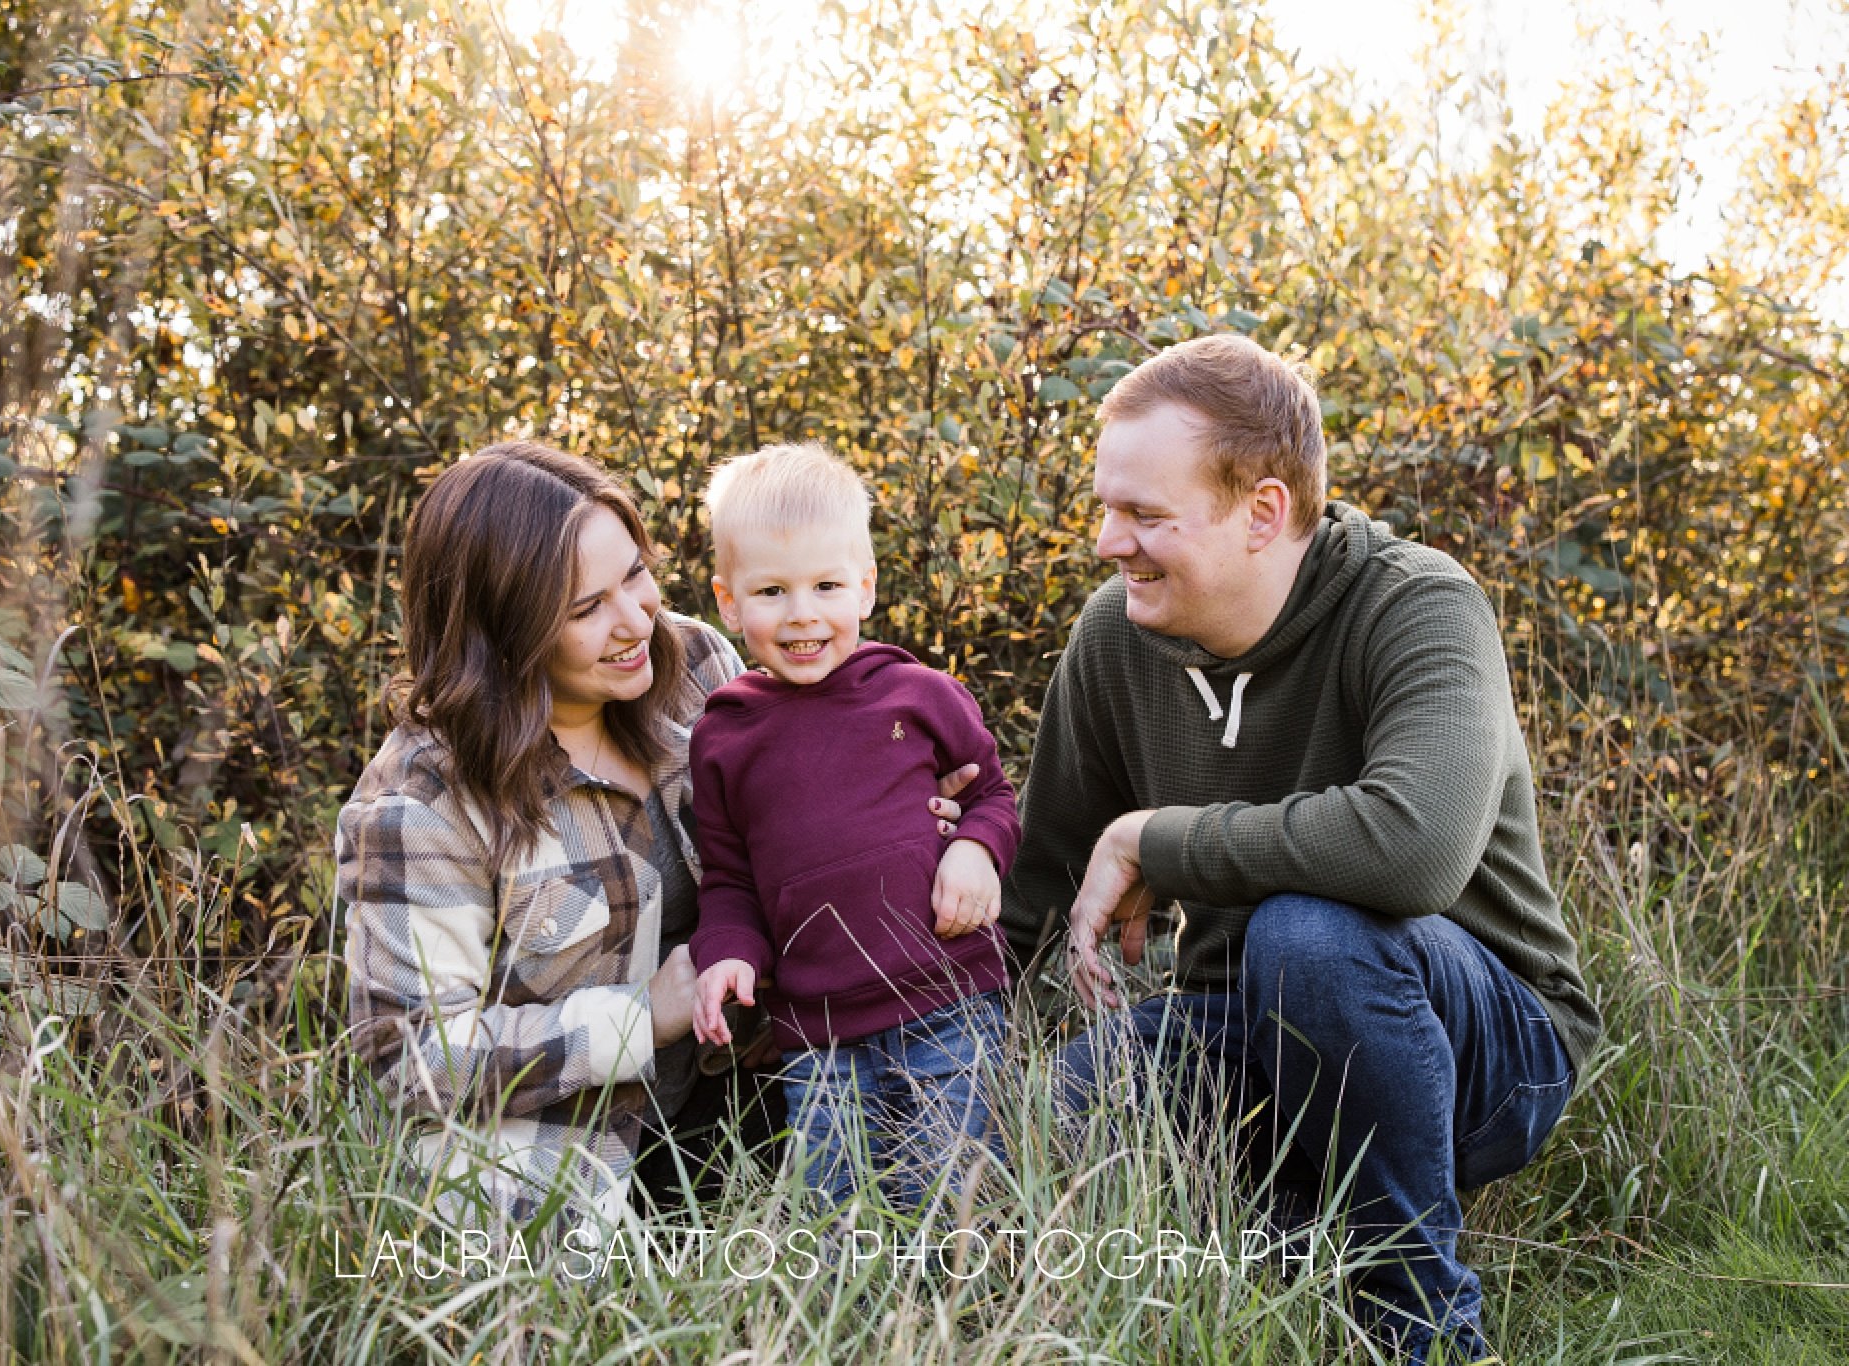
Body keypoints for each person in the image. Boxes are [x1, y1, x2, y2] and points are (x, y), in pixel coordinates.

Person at [999, 335, 1602, 1362]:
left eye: (1144, 515)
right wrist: (903, 1054)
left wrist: (1161, 838)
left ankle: (1418, 1331)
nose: (1107, 541)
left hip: (1480, 1040)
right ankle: (1292, 1250)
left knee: (1309, 938)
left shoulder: (1414, 605)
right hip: (1247, 1027)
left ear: (1262, 513)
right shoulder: (1115, 637)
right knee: (1078, 1098)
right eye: (1106, 508)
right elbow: (1035, 892)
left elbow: (1411, 851)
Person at [335, 441, 978, 1230]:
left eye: (634, 574)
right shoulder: (423, 804)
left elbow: (781, 832)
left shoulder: (698, 669)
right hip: (565, 1158)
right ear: (499, 633)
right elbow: (410, 1056)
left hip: (767, 1090)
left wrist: (908, 817)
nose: (636, 619)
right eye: (585, 609)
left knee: (916, 1221)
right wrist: (644, 1015)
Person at [689, 442, 1020, 1216]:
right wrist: (726, 955)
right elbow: (729, 880)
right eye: (771, 591)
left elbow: (993, 796)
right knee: (836, 1215)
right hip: (817, 1032)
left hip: (947, 1000)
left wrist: (974, 849)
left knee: (952, 1200)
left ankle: (959, 1326)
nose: (802, 613)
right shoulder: (727, 737)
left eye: (826, 585)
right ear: (729, 602)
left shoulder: (918, 695)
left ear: (864, 587)